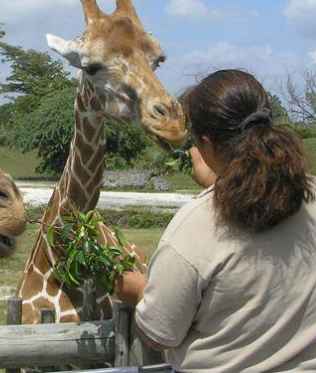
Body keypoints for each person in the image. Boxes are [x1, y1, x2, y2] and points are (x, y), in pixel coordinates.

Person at [115, 69, 316, 372]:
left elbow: (160, 335)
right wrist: (218, 182)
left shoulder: (195, 227)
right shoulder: (309, 194)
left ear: (206, 144)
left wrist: (138, 291)